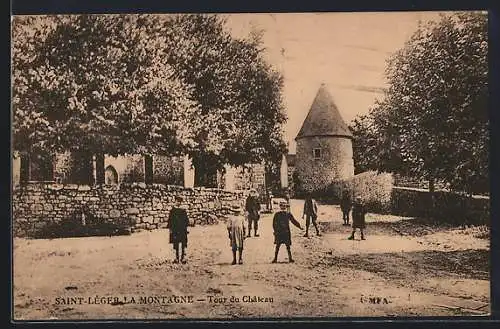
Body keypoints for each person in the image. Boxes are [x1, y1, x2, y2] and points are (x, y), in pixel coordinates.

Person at [167, 196, 190, 263]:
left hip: (182, 229)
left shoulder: (183, 211)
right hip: (175, 229)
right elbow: (170, 220)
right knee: (175, 244)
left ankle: (183, 258)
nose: (178, 202)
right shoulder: (172, 211)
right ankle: (176, 258)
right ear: (175, 201)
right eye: (177, 201)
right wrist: (170, 229)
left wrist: (186, 227)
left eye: (179, 201)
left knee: (183, 244)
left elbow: (186, 220)